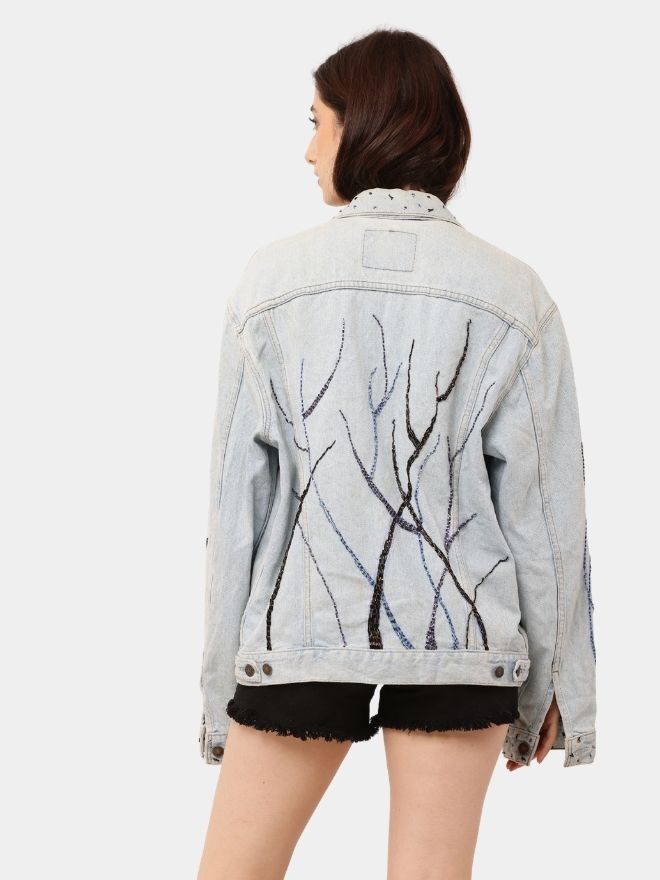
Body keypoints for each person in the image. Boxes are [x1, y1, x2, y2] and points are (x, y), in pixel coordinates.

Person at [197, 27, 597, 880]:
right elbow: (546, 518)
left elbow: (238, 511)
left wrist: (218, 692)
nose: (309, 151)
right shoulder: (513, 292)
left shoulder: (271, 284)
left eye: (317, 123)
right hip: (464, 635)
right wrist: (558, 685)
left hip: (302, 630)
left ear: (364, 124)